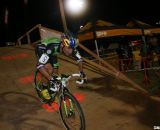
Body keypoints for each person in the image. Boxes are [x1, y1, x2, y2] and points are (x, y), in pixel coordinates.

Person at [34, 31, 87, 100]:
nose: (70, 52)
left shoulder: (70, 47)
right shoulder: (53, 46)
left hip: (53, 53)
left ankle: (52, 90)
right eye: (68, 48)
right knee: (50, 70)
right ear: (63, 44)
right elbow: (39, 65)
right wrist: (50, 79)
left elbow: (80, 60)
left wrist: (82, 72)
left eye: (72, 48)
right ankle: (44, 88)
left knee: (56, 73)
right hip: (43, 49)